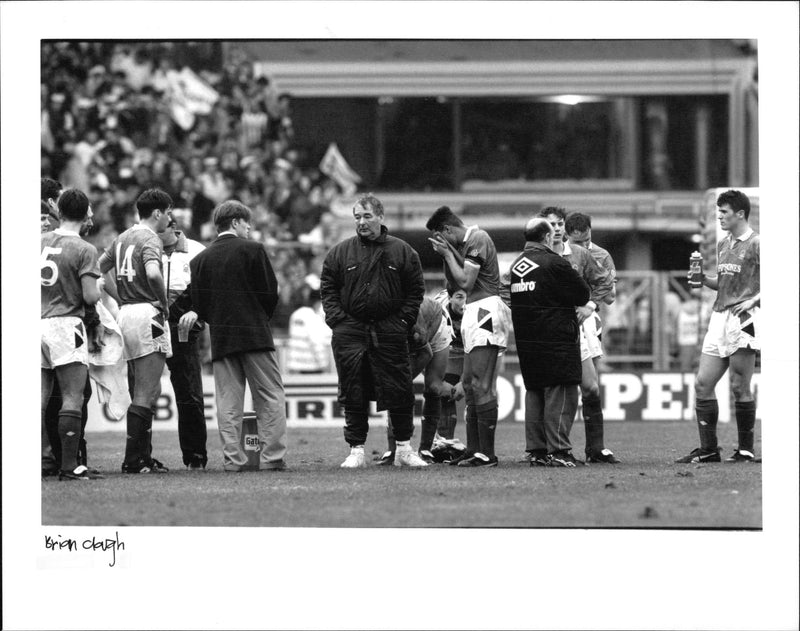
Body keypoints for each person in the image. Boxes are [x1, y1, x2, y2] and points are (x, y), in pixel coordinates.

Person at [320, 193, 428, 468]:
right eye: (357, 217)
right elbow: (328, 289)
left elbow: (415, 292)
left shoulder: (403, 251)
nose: (362, 222)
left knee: (400, 389)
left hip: (390, 330)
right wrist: (338, 321)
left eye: (367, 216)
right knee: (352, 391)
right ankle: (356, 450)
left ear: (381, 217)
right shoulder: (339, 252)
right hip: (350, 332)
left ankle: (404, 448)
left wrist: (402, 322)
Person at [190, 200, 288, 472]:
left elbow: (199, 305)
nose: (249, 229)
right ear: (235, 222)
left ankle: (233, 460)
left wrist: (220, 321)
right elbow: (270, 293)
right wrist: (256, 318)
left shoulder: (200, 260)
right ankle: (272, 459)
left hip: (222, 339)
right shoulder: (253, 250)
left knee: (228, 403)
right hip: (255, 335)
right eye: (247, 223)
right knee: (269, 397)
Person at [676, 190, 760, 464]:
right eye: (718, 212)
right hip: (719, 315)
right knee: (702, 383)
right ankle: (709, 450)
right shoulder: (723, 244)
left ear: (740, 214)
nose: (719, 217)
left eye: (724, 212)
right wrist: (703, 279)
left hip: (744, 319)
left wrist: (754, 301)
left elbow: (782, 278)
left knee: (739, 385)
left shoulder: (757, 243)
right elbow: (723, 281)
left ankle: (745, 450)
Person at [426, 205, 512, 467]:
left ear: (447, 229)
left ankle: (487, 453)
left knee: (482, 384)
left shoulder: (478, 238)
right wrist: (447, 254)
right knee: (470, 384)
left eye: (439, 236)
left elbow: (465, 282)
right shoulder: (460, 248)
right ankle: (474, 449)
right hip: (473, 314)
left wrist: (447, 253)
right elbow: (453, 287)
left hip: (485, 310)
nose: (438, 242)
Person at [98, 188, 173, 473]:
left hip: (126, 313)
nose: (169, 217)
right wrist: (163, 304)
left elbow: (98, 269)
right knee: (147, 390)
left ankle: (143, 456)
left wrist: (119, 298)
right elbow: (153, 273)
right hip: (146, 313)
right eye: (168, 212)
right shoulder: (149, 238)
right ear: (157, 213)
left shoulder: (123, 237)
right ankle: (134, 460)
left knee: (143, 389)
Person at [509, 218, 591, 466]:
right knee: (562, 391)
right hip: (556, 339)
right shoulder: (554, 263)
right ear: (546, 238)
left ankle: (537, 450)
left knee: (535, 391)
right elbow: (582, 294)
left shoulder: (515, 266)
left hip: (527, 339)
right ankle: (559, 451)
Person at [541, 207, 618, 464]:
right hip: (549, 328)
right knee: (554, 388)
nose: (557, 228)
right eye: (552, 224)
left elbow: (608, 290)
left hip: (583, 325)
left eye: (560, 223)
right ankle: (550, 449)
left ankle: (595, 448)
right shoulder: (536, 256)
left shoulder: (586, 255)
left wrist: (590, 304)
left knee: (590, 386)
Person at [41, 189, 103, 480]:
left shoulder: (39, 241)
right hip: (66, 325)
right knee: (71, 396)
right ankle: (69, 466)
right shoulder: (84, 249)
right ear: (85, 213)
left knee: (37, 399)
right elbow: (90, 297)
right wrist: (99, 285)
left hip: (36, 322)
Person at [373, 296, 454, 464]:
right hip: (410, 335)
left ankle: (425, 449)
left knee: (432, 386)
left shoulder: (410, 320)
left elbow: (426, 353)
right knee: (395, 386)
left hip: (437, 326)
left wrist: (403, 381)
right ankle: (393, 450)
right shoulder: (376, 319)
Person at [158, 218, 208, 470]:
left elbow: (208, 290)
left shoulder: (198, 251)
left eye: (158, 231)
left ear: (173, 227)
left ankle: (195, 456)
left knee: (189, 393)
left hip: (183, 328)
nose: (153, 235)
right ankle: (139, 457)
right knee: (140, 392)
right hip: (151, 324)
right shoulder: (146, 247)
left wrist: (197, 311)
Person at [286, 276, 333, 374]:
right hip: (312, 367)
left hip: (295, 366)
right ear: (318, 303)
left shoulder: (295, 314)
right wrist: (324, 365)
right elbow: (316, 342)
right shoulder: (312, 317)